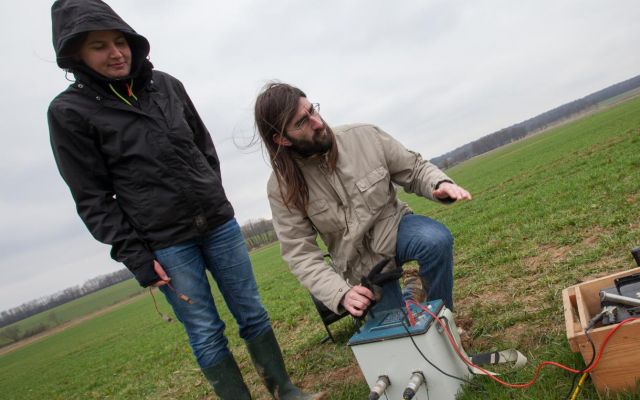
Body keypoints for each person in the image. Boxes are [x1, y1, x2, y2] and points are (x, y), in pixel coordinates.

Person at [47, 2, 324, 399]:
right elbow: (92, 198)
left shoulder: (166, 84)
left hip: (218, 225)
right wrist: (136, 256)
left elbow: (203, 148)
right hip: (166, 243)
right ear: (75, 53)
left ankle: (285, 391)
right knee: (207, 333)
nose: (116, 53)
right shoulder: (69, 112)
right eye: (99, 46)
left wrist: (212, 193)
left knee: (252, 312)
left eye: (119, 41)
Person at [254, 82, 472, 319]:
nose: (317, 123)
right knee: (394, 334)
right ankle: (410, 296)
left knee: (435, 241)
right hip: (358, 266)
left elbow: (414, 168)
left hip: (394, 228)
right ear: (282, 139)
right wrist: (341, 293)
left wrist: (439, 184)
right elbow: (300, 253)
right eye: (301, 122)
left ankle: (443, 321)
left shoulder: (365, 136)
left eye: (312, 110)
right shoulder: (281, 188)